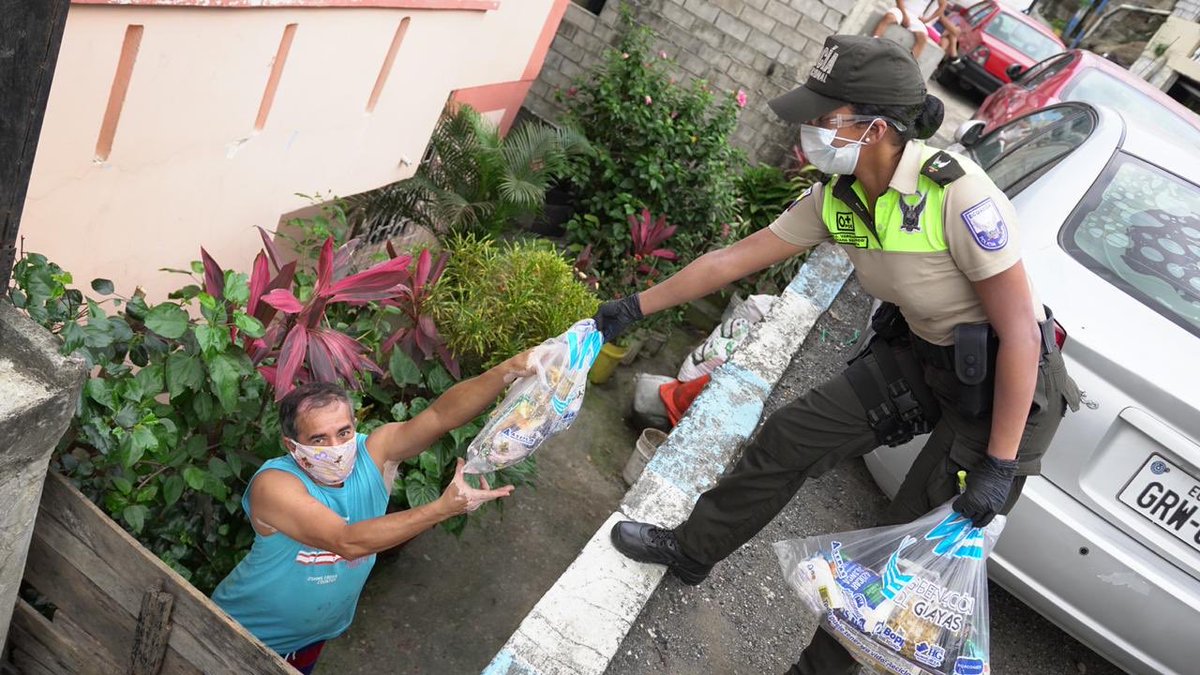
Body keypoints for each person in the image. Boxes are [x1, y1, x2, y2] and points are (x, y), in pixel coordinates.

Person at [595, 35, 1079, 674]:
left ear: (874, 127)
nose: (808, 132)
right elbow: (731, 259)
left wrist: (999, 464)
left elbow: (1020, 334)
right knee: (790, 438)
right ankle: (692, 549)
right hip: (930, 359)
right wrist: (634, 307)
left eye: (823, 119)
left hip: (1008, 397)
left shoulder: (958, 196)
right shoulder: (839, 197)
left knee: (897, 562)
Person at [212, 351, 534, 674]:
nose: (336, 447)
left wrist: (509, 369)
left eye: (343, 432)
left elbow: (440, 416)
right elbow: (346, 541)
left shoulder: (375, 453)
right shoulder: (274, 486)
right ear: (293, 446)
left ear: (356, 426)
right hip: (236, 636)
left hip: (309, 639)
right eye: (318, 439)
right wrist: (441, 508)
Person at [872, 0, 936, 59]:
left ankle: (908, 62)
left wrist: (928, 19)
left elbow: (942, 5)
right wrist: (904, 15)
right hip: (900, 9)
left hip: (915, 18)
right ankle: (873, 44)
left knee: (923, 38)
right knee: (889, 17)